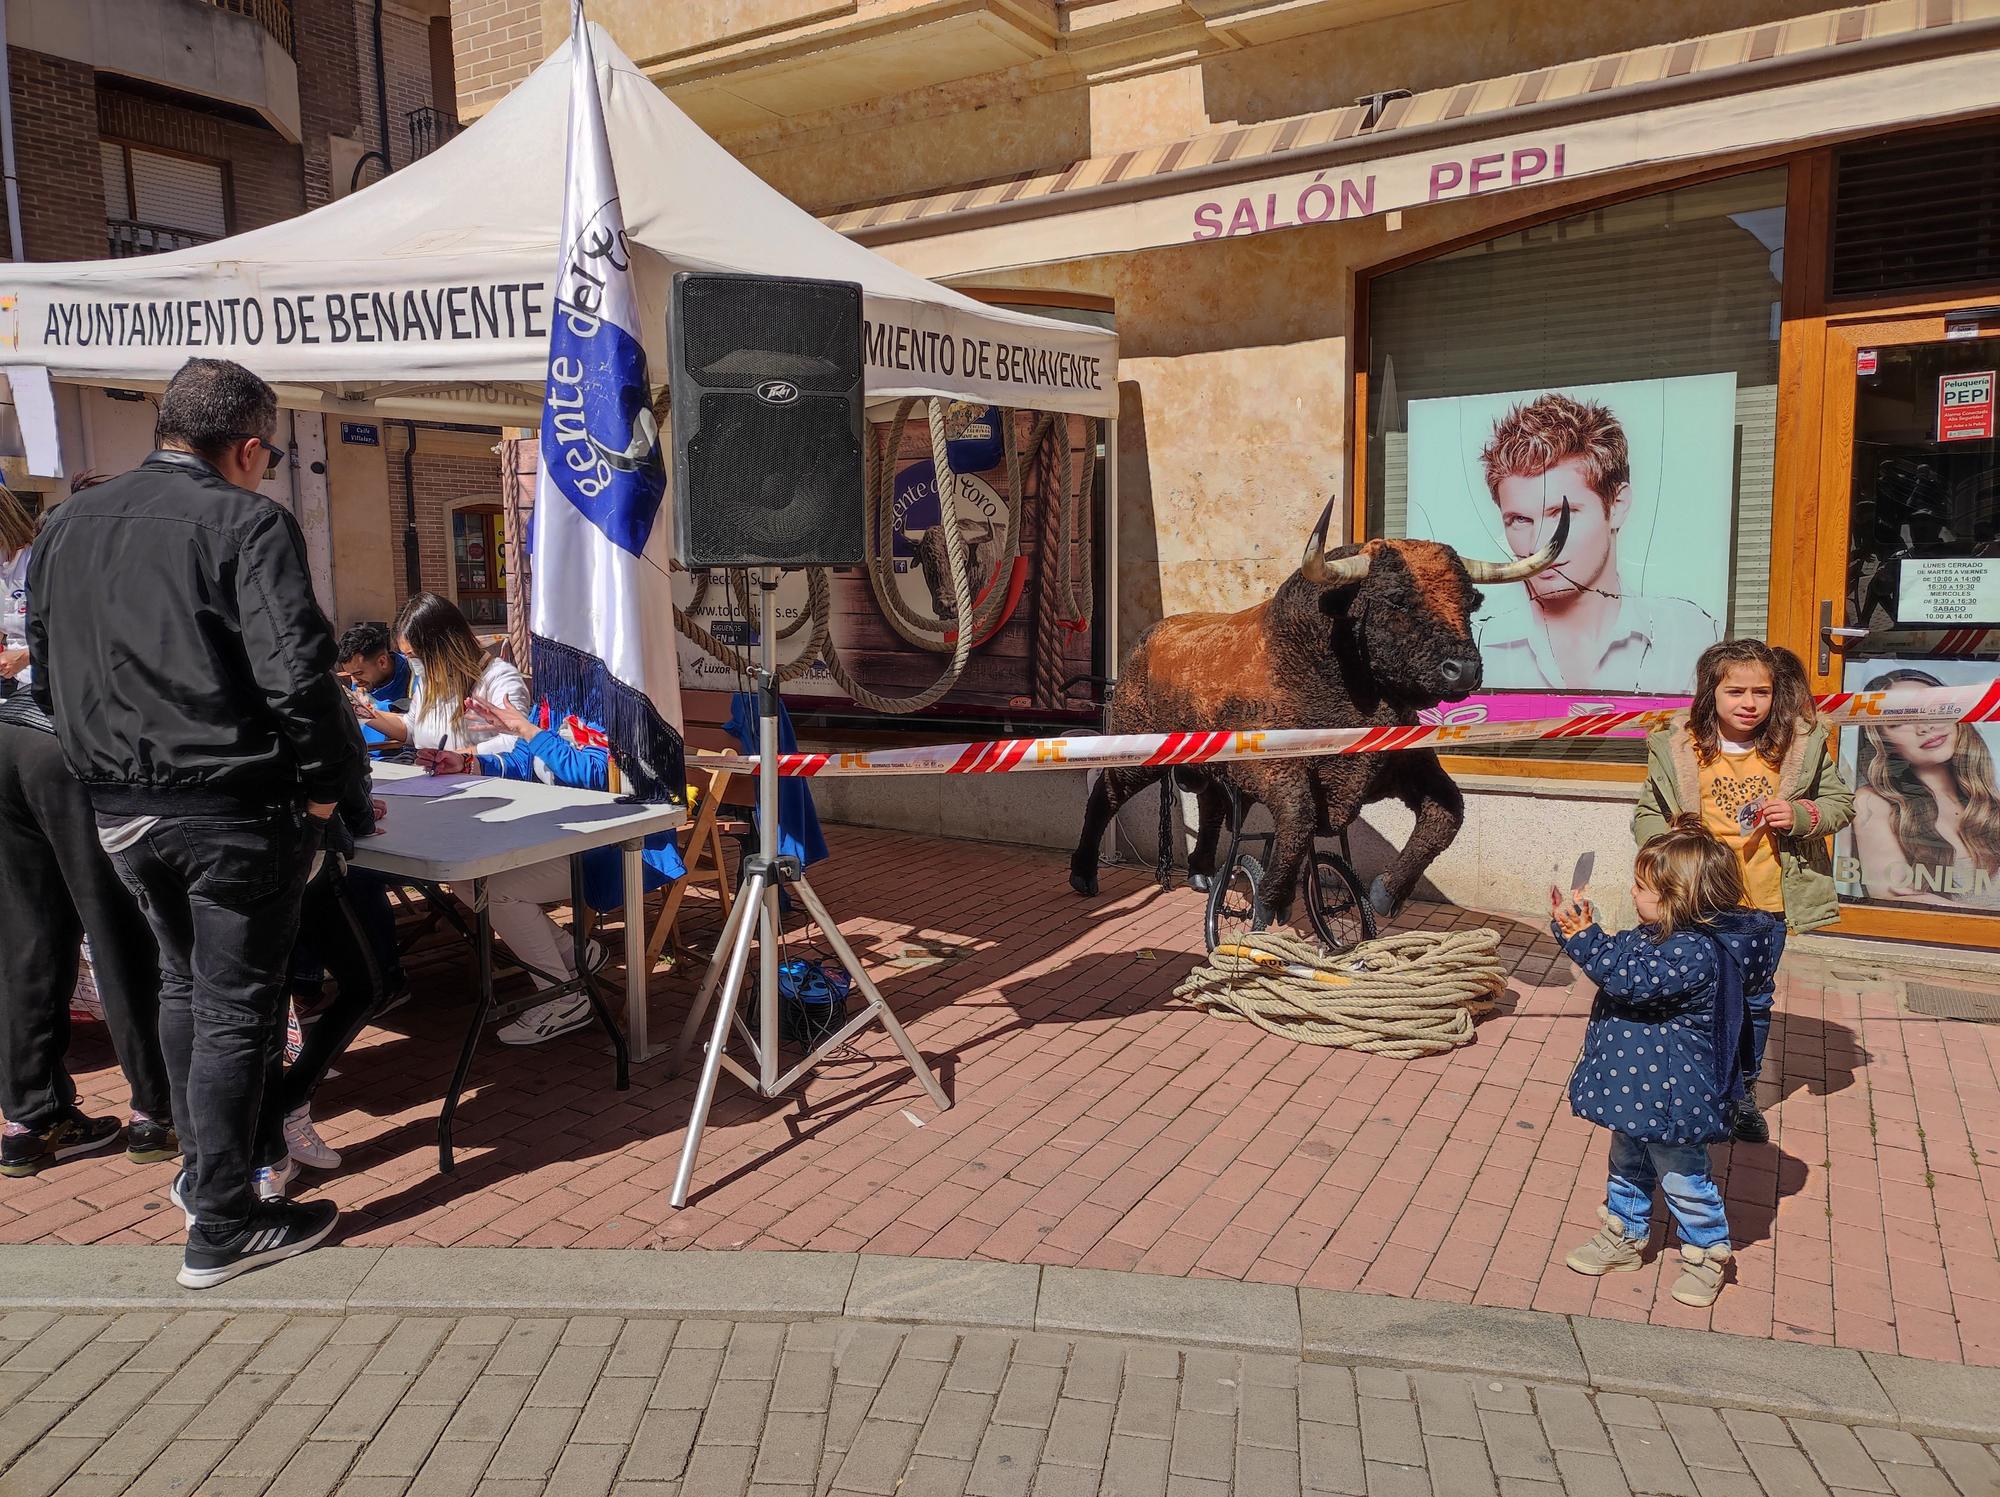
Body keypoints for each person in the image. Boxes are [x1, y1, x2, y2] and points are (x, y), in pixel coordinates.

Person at [28, 357, 370, 1288]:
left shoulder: (67, 522)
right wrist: (332, 791)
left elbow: (48, 680)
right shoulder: (246, 520)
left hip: (120, 805)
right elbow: (298, 677)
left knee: (187, 989)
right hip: (226, 807)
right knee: (227, 1007)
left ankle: (202, 1173)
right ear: (250, 447)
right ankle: (222, 1217)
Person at [0, 484, 175, 1176]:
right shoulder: (56, 557)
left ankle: (27, 1117)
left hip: (4, 743)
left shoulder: (36, 559)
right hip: (61, 745)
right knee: (115, 924)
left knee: (27, 935)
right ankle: (152, 1111)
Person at [1553, 816, 1783, 1309]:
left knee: (1684, 1179)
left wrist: (1583, 939)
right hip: (1641, 1090)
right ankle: (1625, 1235)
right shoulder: (1658, 934)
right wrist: (1587, 931)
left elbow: (1630, 979)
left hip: (1674, 1096)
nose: (1633, 893)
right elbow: (1621, 957)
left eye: (1641, 887)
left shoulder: (1693, 951)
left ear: (1678, 896)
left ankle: (1706, 1254)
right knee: (1626, 1163)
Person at [1632, 639, 1854, 1144]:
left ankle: (1742, 1096)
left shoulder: (1800, 743)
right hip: (1696, 898)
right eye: (1735, 691)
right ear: (1711, 692)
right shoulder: (1676, 744)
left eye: (1761, 692)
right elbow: (1647, 812)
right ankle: (1692, 1087)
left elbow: (1841, 803)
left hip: (1765, 905)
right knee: (1690, 997)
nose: (1749, 703)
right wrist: (1670, 843)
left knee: (1752, 1001)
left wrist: (1800, 816)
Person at [420, 695, 683, 1044]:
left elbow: (594, 774)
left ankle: (562, 998)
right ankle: (571, 953)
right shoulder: (555, 699)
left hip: (619, 849)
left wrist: (529, 730)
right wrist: (466, 764)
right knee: (467, 880)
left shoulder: (615, 701)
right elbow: (520, 763)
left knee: (493, 888)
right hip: (567, 842)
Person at [1473, 393, 1720, 693]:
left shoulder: (1688, 637)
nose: (1538, 546)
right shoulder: (1474, 643)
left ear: (1617, 505)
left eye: (1561, 515)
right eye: (1519, 520)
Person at [1851, 668, 2000, 909]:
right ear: (1882, 740)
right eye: (1899, 721)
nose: (1924, 726)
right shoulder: (1873, 803)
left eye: (1935, 708)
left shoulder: (1988, 800)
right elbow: (1891, 898)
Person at [360, 591, 531, 755]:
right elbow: (411, 728)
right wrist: (361, 712)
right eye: (407, 656)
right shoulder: (431, 680)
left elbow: (517, 742)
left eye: (413, 655)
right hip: (434, 780)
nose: (412, 663)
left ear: (443, 647)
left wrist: (461, 757)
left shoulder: (499, 678)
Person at [335, 621, 413, 752]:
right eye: (350, 675)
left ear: (382, 662)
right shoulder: (362, 683)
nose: (354, 681)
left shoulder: (414, 676)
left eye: (359, 673)